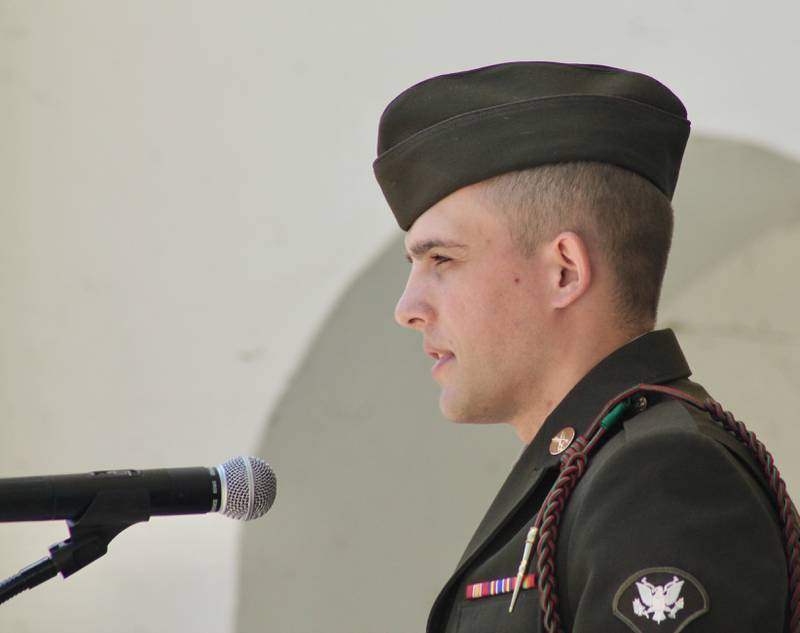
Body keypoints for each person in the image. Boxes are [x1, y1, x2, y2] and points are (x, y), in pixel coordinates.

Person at [372, 62, 792, 633]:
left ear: (565, 271)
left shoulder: (661, 478)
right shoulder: (589, 470)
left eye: (442, 259)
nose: (408, 308)